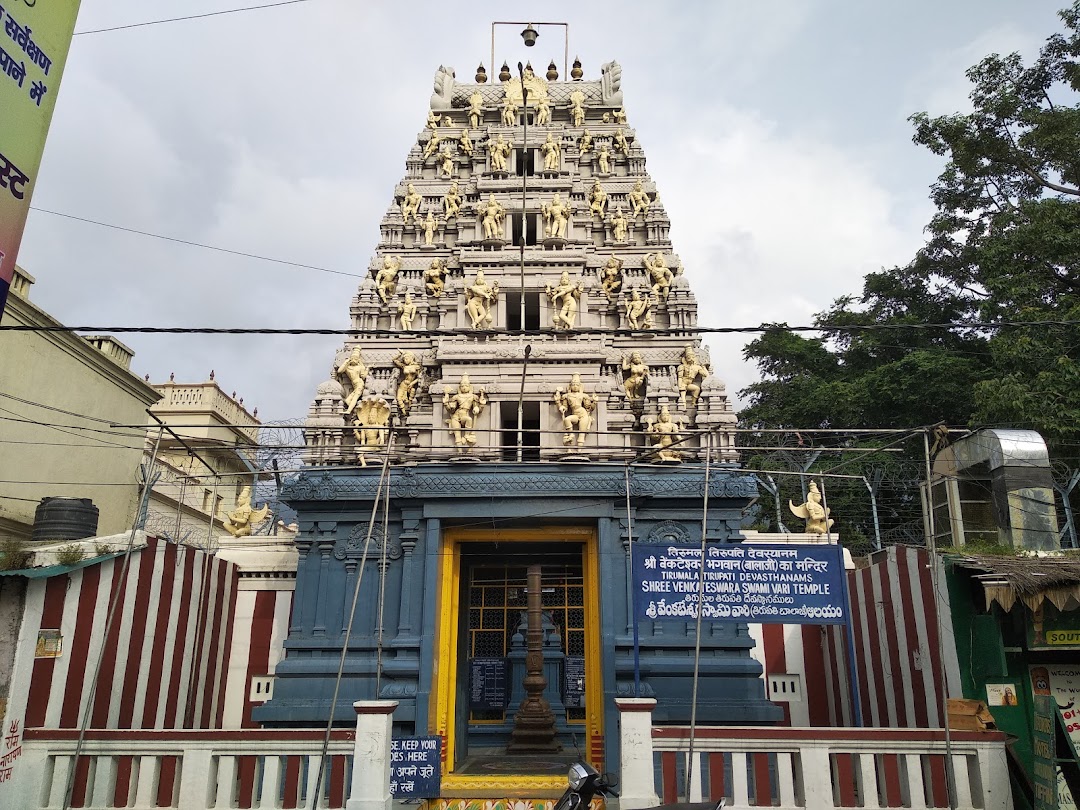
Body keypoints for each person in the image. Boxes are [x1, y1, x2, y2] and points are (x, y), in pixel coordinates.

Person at [444, 374, 487, 446]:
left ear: (469, 387)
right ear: (459, 387)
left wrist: (481, 403)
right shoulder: (456, 396)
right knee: (457, 437)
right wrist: (446, 403)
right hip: (456, 416)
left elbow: (477, 409)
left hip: (465, 414)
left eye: (466, 386)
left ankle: (466, 436)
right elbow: (451, 410)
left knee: (469, 419)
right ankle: (460, 453)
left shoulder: (473, 396)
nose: (464, 388)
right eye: (462, 386)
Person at [554, 374, 594, 447]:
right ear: (570, 386)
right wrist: (558, 403)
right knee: (567, 419)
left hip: (583, 414)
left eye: (577, 385)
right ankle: (571, 434)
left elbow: (589, 407)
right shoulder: (567, 396)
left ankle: (579, 451)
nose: (575, 386)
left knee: (581, 435)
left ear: (580, 386)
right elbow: (565, 408)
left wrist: (594, 402)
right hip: (575, 414)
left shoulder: (583, 395)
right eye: (573, 385)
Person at [336, 347, 369, 414]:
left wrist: (367, 369)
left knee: (354, 398)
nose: (354, 360)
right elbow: (339, 371)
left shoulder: (359, 367)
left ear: (358, 360)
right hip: (354, 385)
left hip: (359, 384)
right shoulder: (348, 368)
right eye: (352, 358)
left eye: (356, 359)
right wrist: (346, 362)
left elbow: (363, 377)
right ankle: (357, 409)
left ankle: (349, 411)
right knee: (347, 400)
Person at [394, 350, 422, 417]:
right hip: (403, 384)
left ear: (411, 358)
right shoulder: (404, 366)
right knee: (398, 398)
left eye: (407, 358)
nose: (405, 360)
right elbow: (394, 360)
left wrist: (412, 383)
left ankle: (409, 411)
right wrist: (401, 354)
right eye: (404, 359)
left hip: (410, 385)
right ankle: (403, 412)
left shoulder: (416, 367)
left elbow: (419, 378)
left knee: (410, 399)